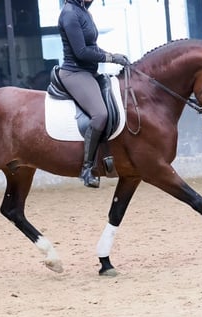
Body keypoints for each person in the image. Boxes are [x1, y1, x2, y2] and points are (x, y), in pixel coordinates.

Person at [58, 0, 129, 188]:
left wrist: (112, 55)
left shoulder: (83, 11)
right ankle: (87, 168)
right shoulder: (70, 13)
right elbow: (81, 52)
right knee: (100, 114)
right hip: (75, 73)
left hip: (90, 72)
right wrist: (111, 58)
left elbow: (93, 46)